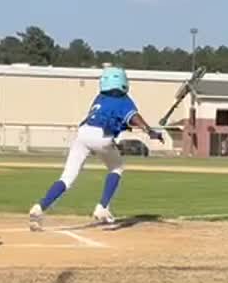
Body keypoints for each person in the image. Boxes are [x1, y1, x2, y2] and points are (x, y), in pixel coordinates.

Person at [29, 66, 163, 229]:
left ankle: (40, 207)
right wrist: (150, 131)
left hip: (83, 133)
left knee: (67, 177)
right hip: (101, 137)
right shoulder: (123, 99)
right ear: (122, 82)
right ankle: (103, 207)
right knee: (116, 168)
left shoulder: (100, 97)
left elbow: (114, 118)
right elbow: (133, 117)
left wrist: (125, 126)